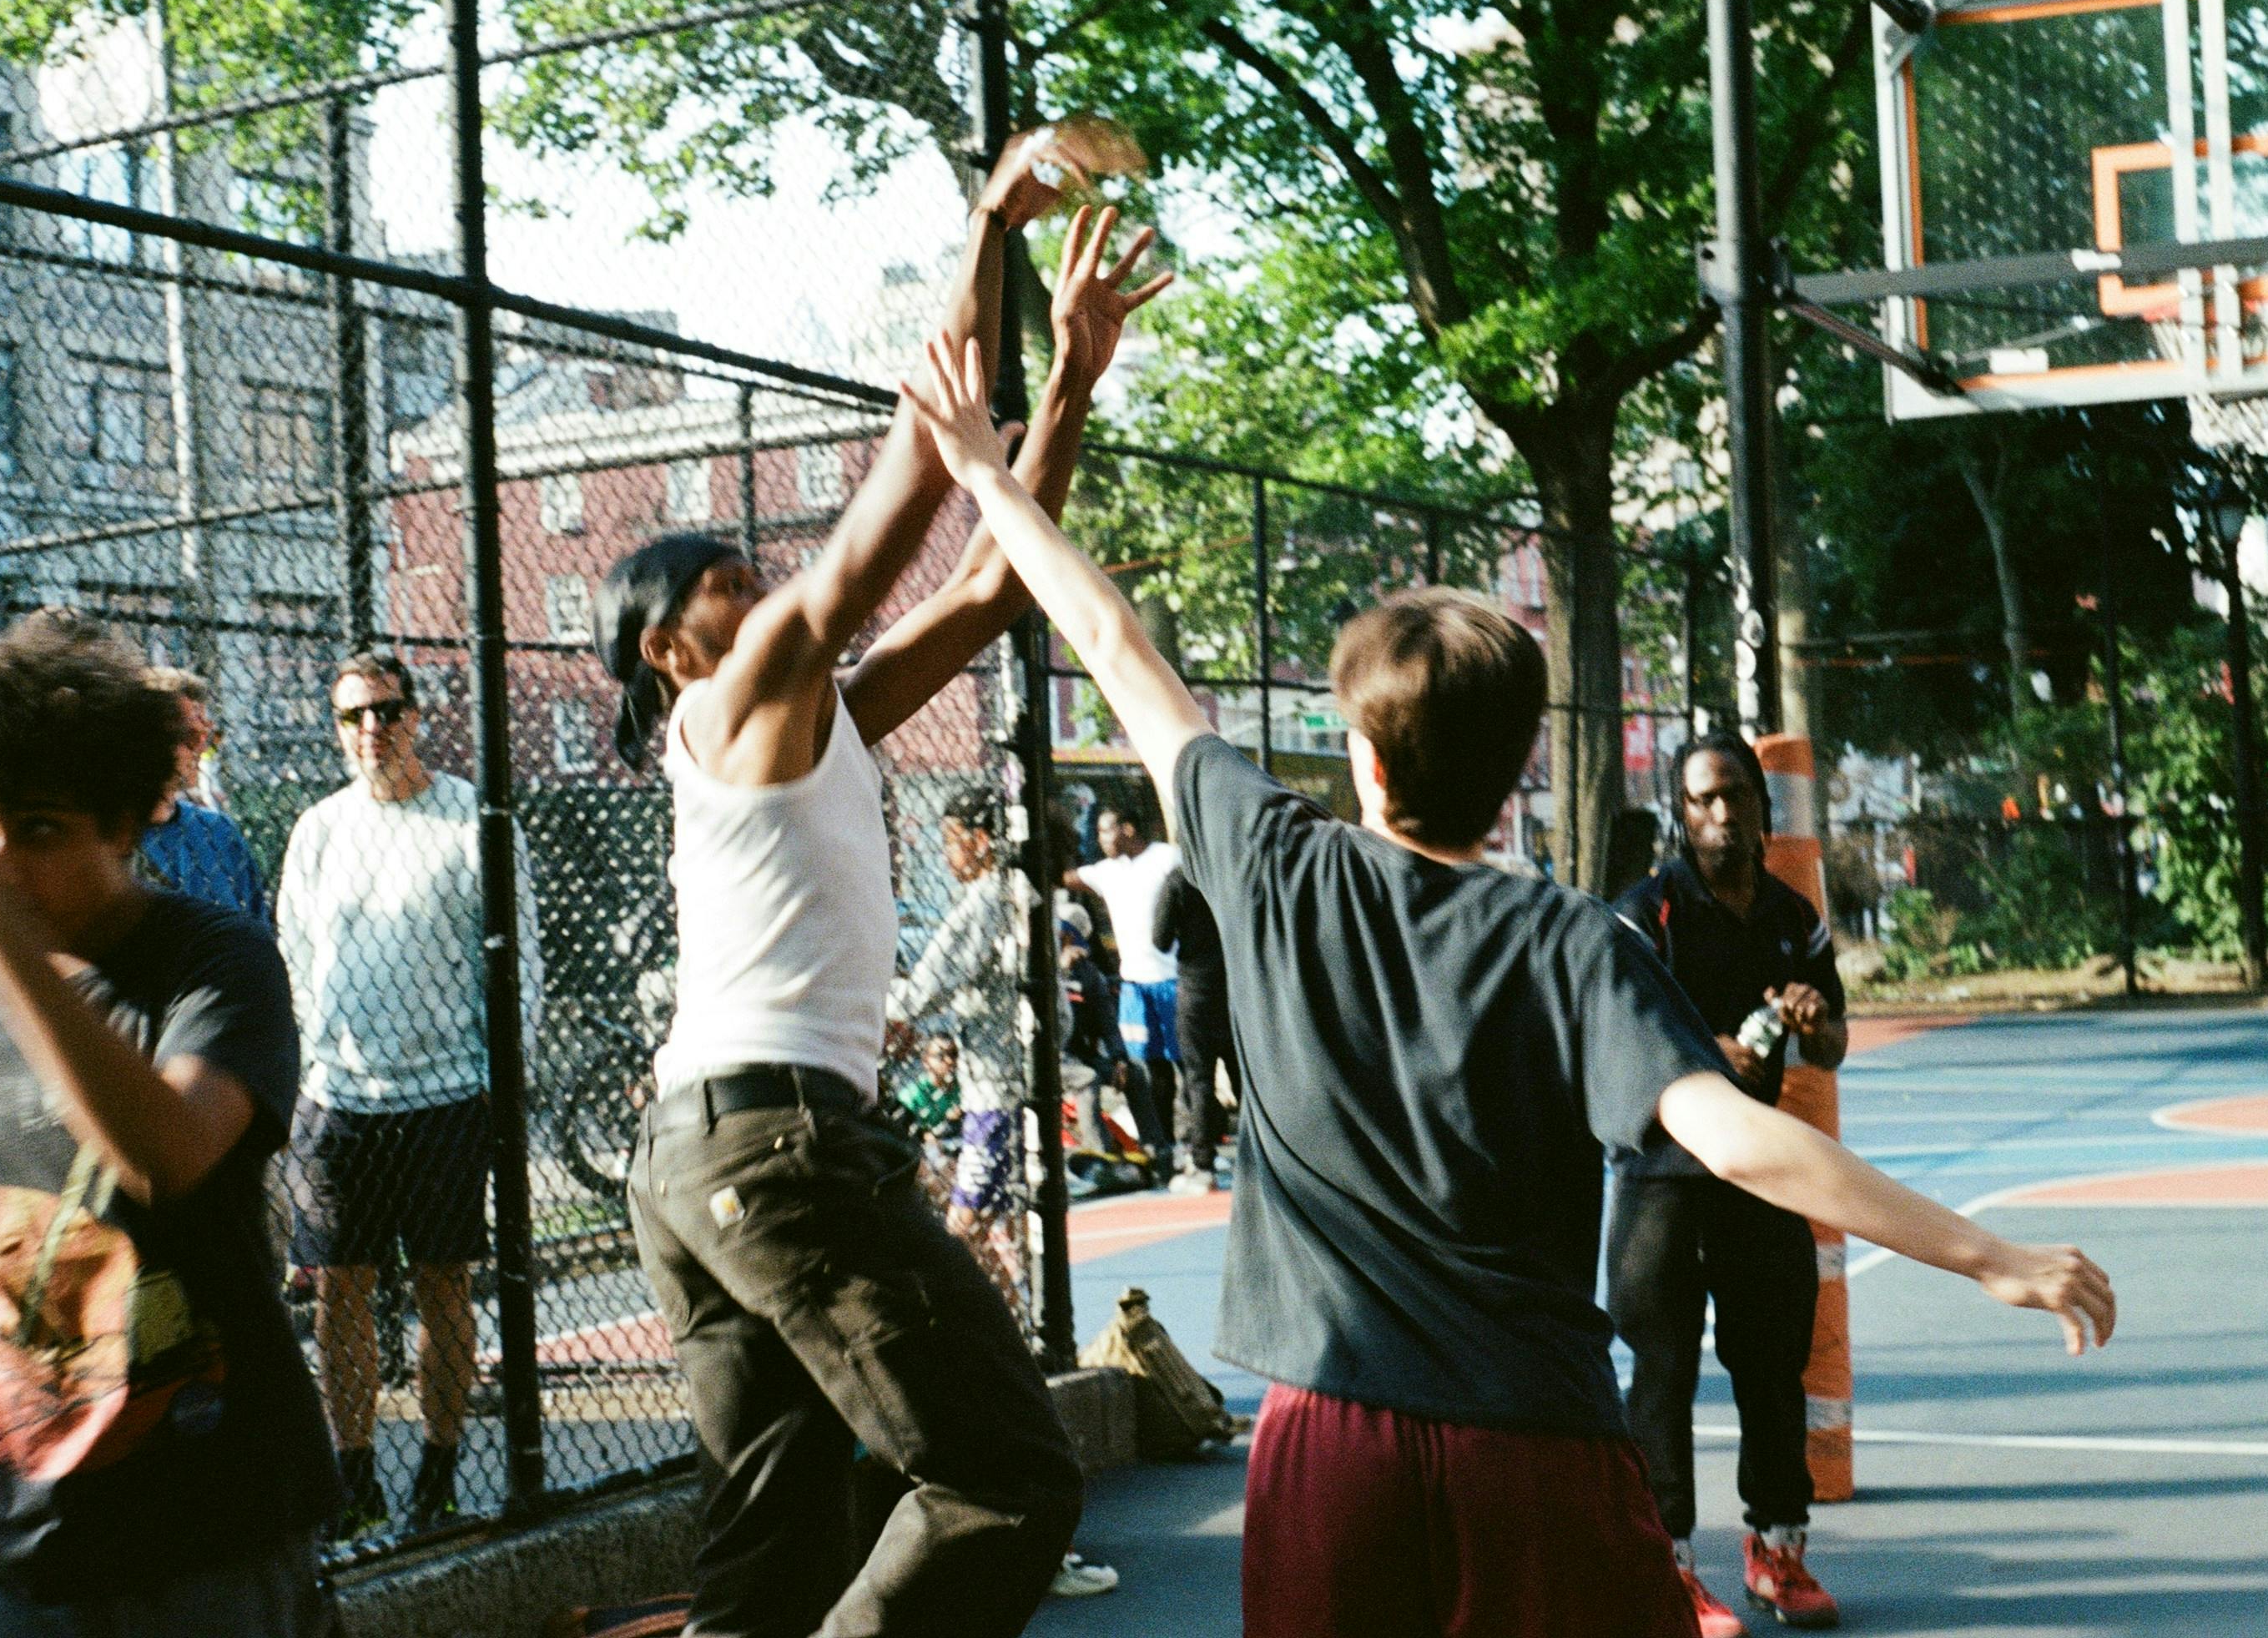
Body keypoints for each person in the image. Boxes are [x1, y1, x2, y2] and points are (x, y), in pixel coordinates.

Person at [900, 327, 2116, 1638]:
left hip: (1329, 1441)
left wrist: (982, 463)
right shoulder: (1573, 941)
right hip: (1531, 1442)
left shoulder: (1271, 861)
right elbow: (1741, 1138)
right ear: (1522, 764)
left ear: (1366, 758)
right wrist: (1983, 1255)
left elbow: (1106, 632)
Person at [596, 163, 1169, 1637]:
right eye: (725, 582)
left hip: (715, 1146)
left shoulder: (820, 714)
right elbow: (896, 504)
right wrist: (987, 231)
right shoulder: (728, 711)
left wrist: (1072, 385)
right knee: (1001, 1476)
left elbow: (987, 585)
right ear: (668, 649)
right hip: (775, 1142)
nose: (760, 585)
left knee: (773, 1522)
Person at [0, 628, 339, 1635]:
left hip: (203, 1527)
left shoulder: (213, 962)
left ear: (125, 824)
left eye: (40, 828)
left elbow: (166, 1152)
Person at [275, 650, 542, 1537]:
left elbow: (518, 964)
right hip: (340, 1100)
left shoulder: (471, 818)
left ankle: (438, 1473)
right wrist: (310, 1066)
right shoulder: (318, 829)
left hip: (445, 1095)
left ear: (417, 714)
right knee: (338, 1291)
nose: (370, 730)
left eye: (386, 711)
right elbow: (294, 957)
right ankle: (354, 1480)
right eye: (352, 715)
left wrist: (502, 1076)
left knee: (443, 1286)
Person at [1609, 733, 1850, 1635]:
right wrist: (1709, 1053)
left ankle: (1776, 1548)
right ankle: (1664, 1567)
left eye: (1735, 797)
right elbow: (1618, 1032)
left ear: (1760, 805)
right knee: (1660, 1374)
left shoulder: (1795, 918)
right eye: (1703, 799)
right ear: (1681, 810)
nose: (1720, 814)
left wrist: (1815, 1021)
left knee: (1771, 1367)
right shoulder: (1644, 914)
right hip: (1659, 1178)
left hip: (1760, 1176)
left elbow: (1829, 1048)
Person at [886, 785, 1034, 1287]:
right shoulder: (1022, 892)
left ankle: (997, 1333)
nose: (945, 853)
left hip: (997, 1092)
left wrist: (869, 1000)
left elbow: (927, 987)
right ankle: (1018, 1327)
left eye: (951, 839)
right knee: (1004, 1231)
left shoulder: (985, 900)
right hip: (1012, 1081)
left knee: (962, 1227)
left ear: (982, 842)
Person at [1076, 801, 1182, 1161]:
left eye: (1106, 829)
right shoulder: (1107, 872)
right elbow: (1066, 876)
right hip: (1135, 986)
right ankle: (1164, 1142)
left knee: (1186, 1065)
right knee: (1149, 1067)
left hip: (1173, 979)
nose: (1101, 838)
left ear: (1128, 829)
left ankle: (1203, 1137)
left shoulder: (1168, 858)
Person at [135, 666, 270, 925]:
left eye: (210, 736)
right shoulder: (110, 844)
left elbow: (259, 928)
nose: (204, 748)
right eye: (192, 736)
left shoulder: (220, 832)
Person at [1151, 864, 1228, 1194]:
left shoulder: (1179, 880)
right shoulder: (1226, 871)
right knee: (1246, 1074)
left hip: (1196, 987)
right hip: (1234, 982)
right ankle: (1264, 1157)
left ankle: (1202, 1162)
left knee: (1198, 1078)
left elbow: (1160, 939)